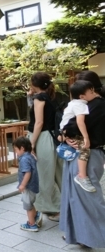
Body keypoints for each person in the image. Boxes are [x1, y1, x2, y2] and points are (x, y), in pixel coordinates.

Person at [60, 71, 105, 248]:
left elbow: (71, 125)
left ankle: (97, 235)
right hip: (79, 153)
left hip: (89, 153)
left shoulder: (98, 105)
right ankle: (80, 235)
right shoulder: (86, 103)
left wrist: (64, 132)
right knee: (76, 196)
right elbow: (65, 124)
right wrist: (62, 134)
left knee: (89, 197)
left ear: (90, 88)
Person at [27, 72, 63, 221]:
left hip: (42, 137)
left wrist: (32, 143)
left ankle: (52, 209)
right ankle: (64, 206)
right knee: (58, 174)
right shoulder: (51, 97)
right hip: (53, 137)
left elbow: (39, 122)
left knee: (44, 175)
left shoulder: (39, 98)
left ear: (35, 85)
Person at [58, 80, 96, 192]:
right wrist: (86, 137)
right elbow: (80, 122)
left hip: (64, 131)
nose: (94, 94)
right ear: (82, 96)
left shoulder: (73, 103)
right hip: (68, 131)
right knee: (85, 150)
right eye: (91, 92)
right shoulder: (80, 105)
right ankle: (82, 176)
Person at [13, 137, 42, 232]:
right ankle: (35, 216)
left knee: (28, 206)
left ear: (22, 148)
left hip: (28, 187)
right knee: (30, 203)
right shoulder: (31, 156)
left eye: (16, 150)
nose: (16, 152)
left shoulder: (24, 159)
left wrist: (22, 185)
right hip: (33, 186)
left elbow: (27, 173)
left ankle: (32, 224)